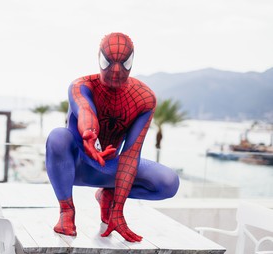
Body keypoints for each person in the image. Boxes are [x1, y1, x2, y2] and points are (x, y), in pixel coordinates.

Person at [45, 32, 179, 242]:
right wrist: (89, 135)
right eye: (108, 62)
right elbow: (85, 110)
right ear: (99, 59)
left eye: (123, 63)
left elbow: (131, 153)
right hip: (76, 165)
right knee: (58, 137)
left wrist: (118, 208)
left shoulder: (144, 99)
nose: (116, 71)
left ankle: (106, 194)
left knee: (168, 183)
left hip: (108, 169)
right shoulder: (81, 85)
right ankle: (66, 211)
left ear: (132, 62)